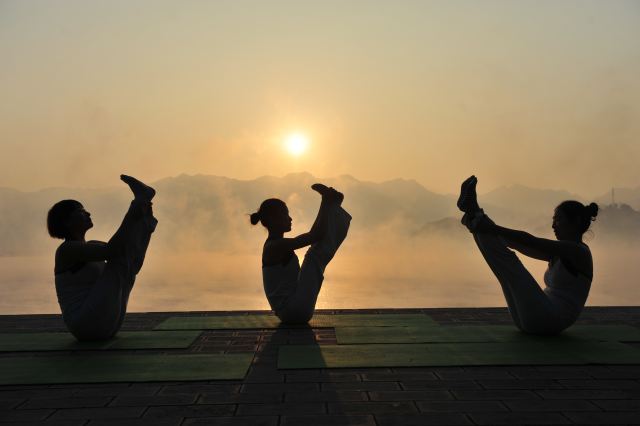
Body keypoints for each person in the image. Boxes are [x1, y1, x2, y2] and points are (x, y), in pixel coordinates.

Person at [457, 175, 597, 335]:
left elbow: (530, 241)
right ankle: (474, 216)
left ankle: (475, 214)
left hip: (551, 319)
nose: (553, 225)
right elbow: (518, 244)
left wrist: (493, 228)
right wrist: (487, 230)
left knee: (510, 264)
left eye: (558, 220)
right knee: (503, 267)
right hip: (532, 318)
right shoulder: (558, 254)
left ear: (576, 222)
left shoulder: (579, 252)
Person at [47, 175, 157, 341]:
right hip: (84, 325)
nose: (88, 213)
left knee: (127, 261)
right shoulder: (66, 250)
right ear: (68, 222)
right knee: (119, 257)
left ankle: (144, 212)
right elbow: (113, 250)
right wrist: (135, 211)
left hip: (107, 324)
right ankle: (141, 205)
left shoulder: (91, 246)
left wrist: (142, 217)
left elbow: (123, 251)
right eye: (81, 212)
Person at [251, 184, 351, 324]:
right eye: (285, 214)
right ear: (274, 219)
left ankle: (333, 208)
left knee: (314, 254)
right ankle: (332, 207)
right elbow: (315, 235)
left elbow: (315, 235)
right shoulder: (274, 246)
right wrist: (325, 202)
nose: (290, 218)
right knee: (313, 255)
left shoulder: (277, 244)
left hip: (292, 311)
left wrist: (328, 205)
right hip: (293, 311)